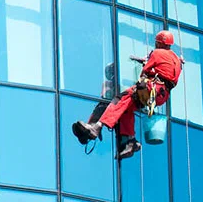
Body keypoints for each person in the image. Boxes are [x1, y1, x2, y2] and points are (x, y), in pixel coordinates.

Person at [72, 31, 182, 160]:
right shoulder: (177, 60)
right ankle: (130, 141)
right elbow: (167, 71)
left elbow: (145, 71)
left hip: (152, 88)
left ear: (158, 42)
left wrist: (146, 63)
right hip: (161, 96)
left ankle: (97, 126)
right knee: (127, 107)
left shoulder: (157, 53)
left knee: (120, 99)